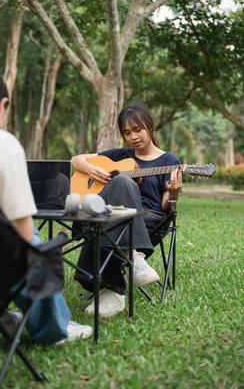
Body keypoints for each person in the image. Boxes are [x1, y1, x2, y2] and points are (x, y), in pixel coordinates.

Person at [0, 70, 92, 344]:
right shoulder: (2, 144)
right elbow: (24, 239)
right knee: (31, 237)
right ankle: (55, 328)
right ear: (2, 106)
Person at [71, 102, 182, 318]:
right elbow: (77, 159)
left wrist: (174, 194)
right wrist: (92, 170)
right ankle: (133, 263)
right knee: (112, 204)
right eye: (127, 132)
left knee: (121, 186)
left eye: (138, 129)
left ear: (149, 126)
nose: (133, 136)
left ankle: (111, 289)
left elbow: (165, 206)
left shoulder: (169, 161)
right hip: (116, 216)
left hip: (148, 219)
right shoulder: (122, 155)